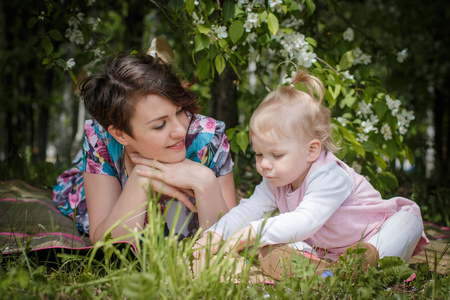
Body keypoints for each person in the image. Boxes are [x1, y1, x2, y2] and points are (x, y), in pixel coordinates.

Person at [192, 70, 429, 280]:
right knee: (277, 245)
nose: (264, 164)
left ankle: (367, 264)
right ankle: (325, 270)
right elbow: (247, 210)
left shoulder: (330, 175)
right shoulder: (275, 181)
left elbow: (307, 220)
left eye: (276, 154)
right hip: (324, 251)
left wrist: (255, 232)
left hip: (372, 236)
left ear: (311, 150)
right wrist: (215, 234)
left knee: (408, 222)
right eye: (258, 154)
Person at [52, 52, 236, 244]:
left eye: (180, 111)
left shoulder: (209, 139)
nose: (180, 130)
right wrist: (139, 181)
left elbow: (230, 241)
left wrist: (206, 182)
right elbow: (105, 245)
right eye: (159, 125)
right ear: (120, 134)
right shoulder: (102, 139)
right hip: (101, 173)